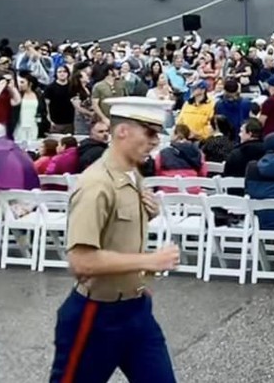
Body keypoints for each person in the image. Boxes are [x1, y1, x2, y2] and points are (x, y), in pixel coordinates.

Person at [50, 97, 181, 383]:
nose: (156, 141)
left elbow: (119, 233)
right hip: (96, 315)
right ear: (123, 131)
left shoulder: (132, 173)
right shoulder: (96, 183)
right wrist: (149, 260)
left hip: (136, 311)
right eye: (149, 132)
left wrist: (149, 214)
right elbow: (80, 261)